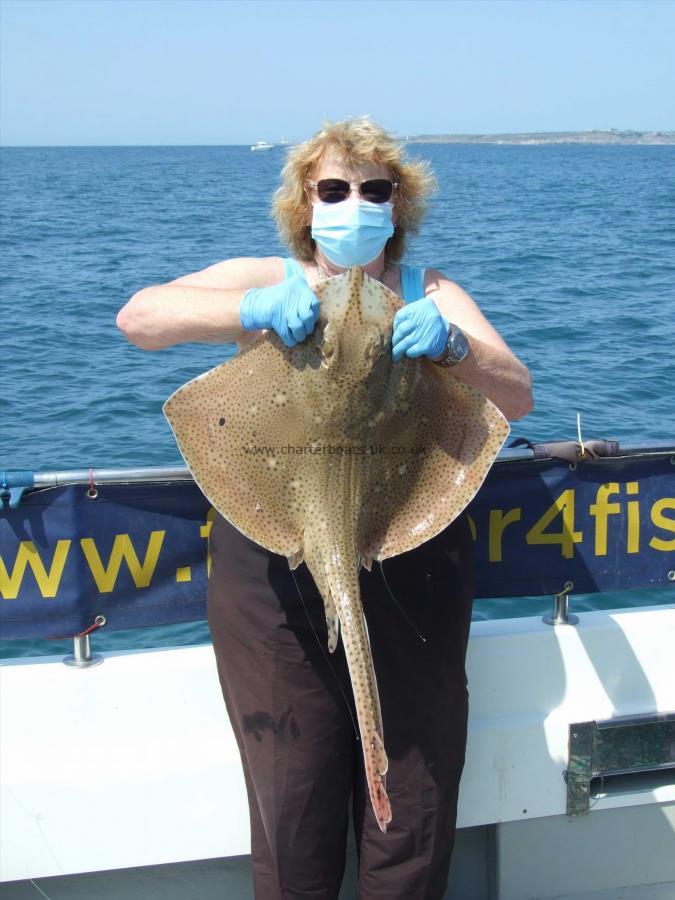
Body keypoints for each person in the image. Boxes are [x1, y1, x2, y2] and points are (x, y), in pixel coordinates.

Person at [117, 117, 533, 899]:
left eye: (373, 190)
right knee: (293, 790)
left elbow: (516, 394)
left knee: (411, 789)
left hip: (408, 549)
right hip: (274, 557)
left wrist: (453, 347)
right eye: (333, 189)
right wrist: (251, 310)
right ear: (304, 204)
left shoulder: (431, 294)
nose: (353, 203)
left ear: (397, 204)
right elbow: (141, 318)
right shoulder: (262, 276)